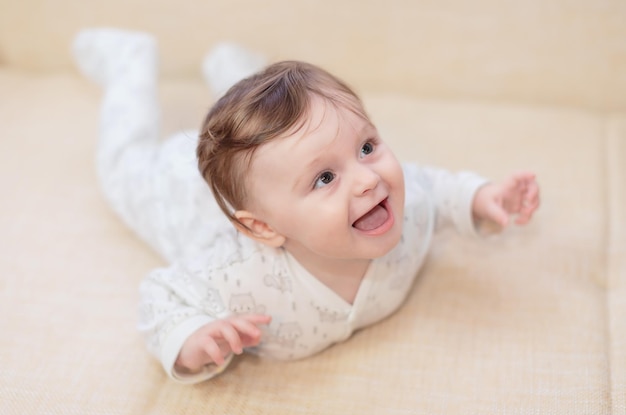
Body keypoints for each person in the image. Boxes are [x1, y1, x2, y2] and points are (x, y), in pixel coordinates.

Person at [73, 28, 540, 384]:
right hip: (176, 193)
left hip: (266, 172)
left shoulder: (406, 207)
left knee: (278, 134)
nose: (368, 179)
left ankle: (237, 73)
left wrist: (480, 198)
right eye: (324, 178)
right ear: (262, 228)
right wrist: (190, 337)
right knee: (122, 166)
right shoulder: (237, 279)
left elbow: (434, 188)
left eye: (366, 146)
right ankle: (129, 61)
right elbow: (160, 294)